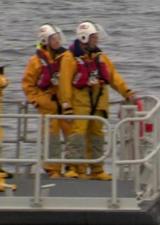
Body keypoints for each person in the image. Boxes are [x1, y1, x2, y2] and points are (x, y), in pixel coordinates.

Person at [58, 21, 136, 180]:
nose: (97, 40)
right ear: (85, 38)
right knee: (77, 135)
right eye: (94, 37)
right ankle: (75, 168)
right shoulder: (69, 58)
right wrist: (66, 104)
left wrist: (126, 92)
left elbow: (113, 77)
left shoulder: (100, 57)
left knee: (97, 136)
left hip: (98, 104)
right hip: (80, 104)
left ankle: (97, 169)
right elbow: (64, 82)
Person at [22, 24, 72, 179]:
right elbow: (28, 85)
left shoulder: (65, 57)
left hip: (64, 106)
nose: (57, 41)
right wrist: (37, 101)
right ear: (45, 40)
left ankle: (73, 167)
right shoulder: (36, 61)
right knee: (51, 139)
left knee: (73, 135)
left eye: (58, 38)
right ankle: (53, 169)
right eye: (53, 39)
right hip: (48, 106)